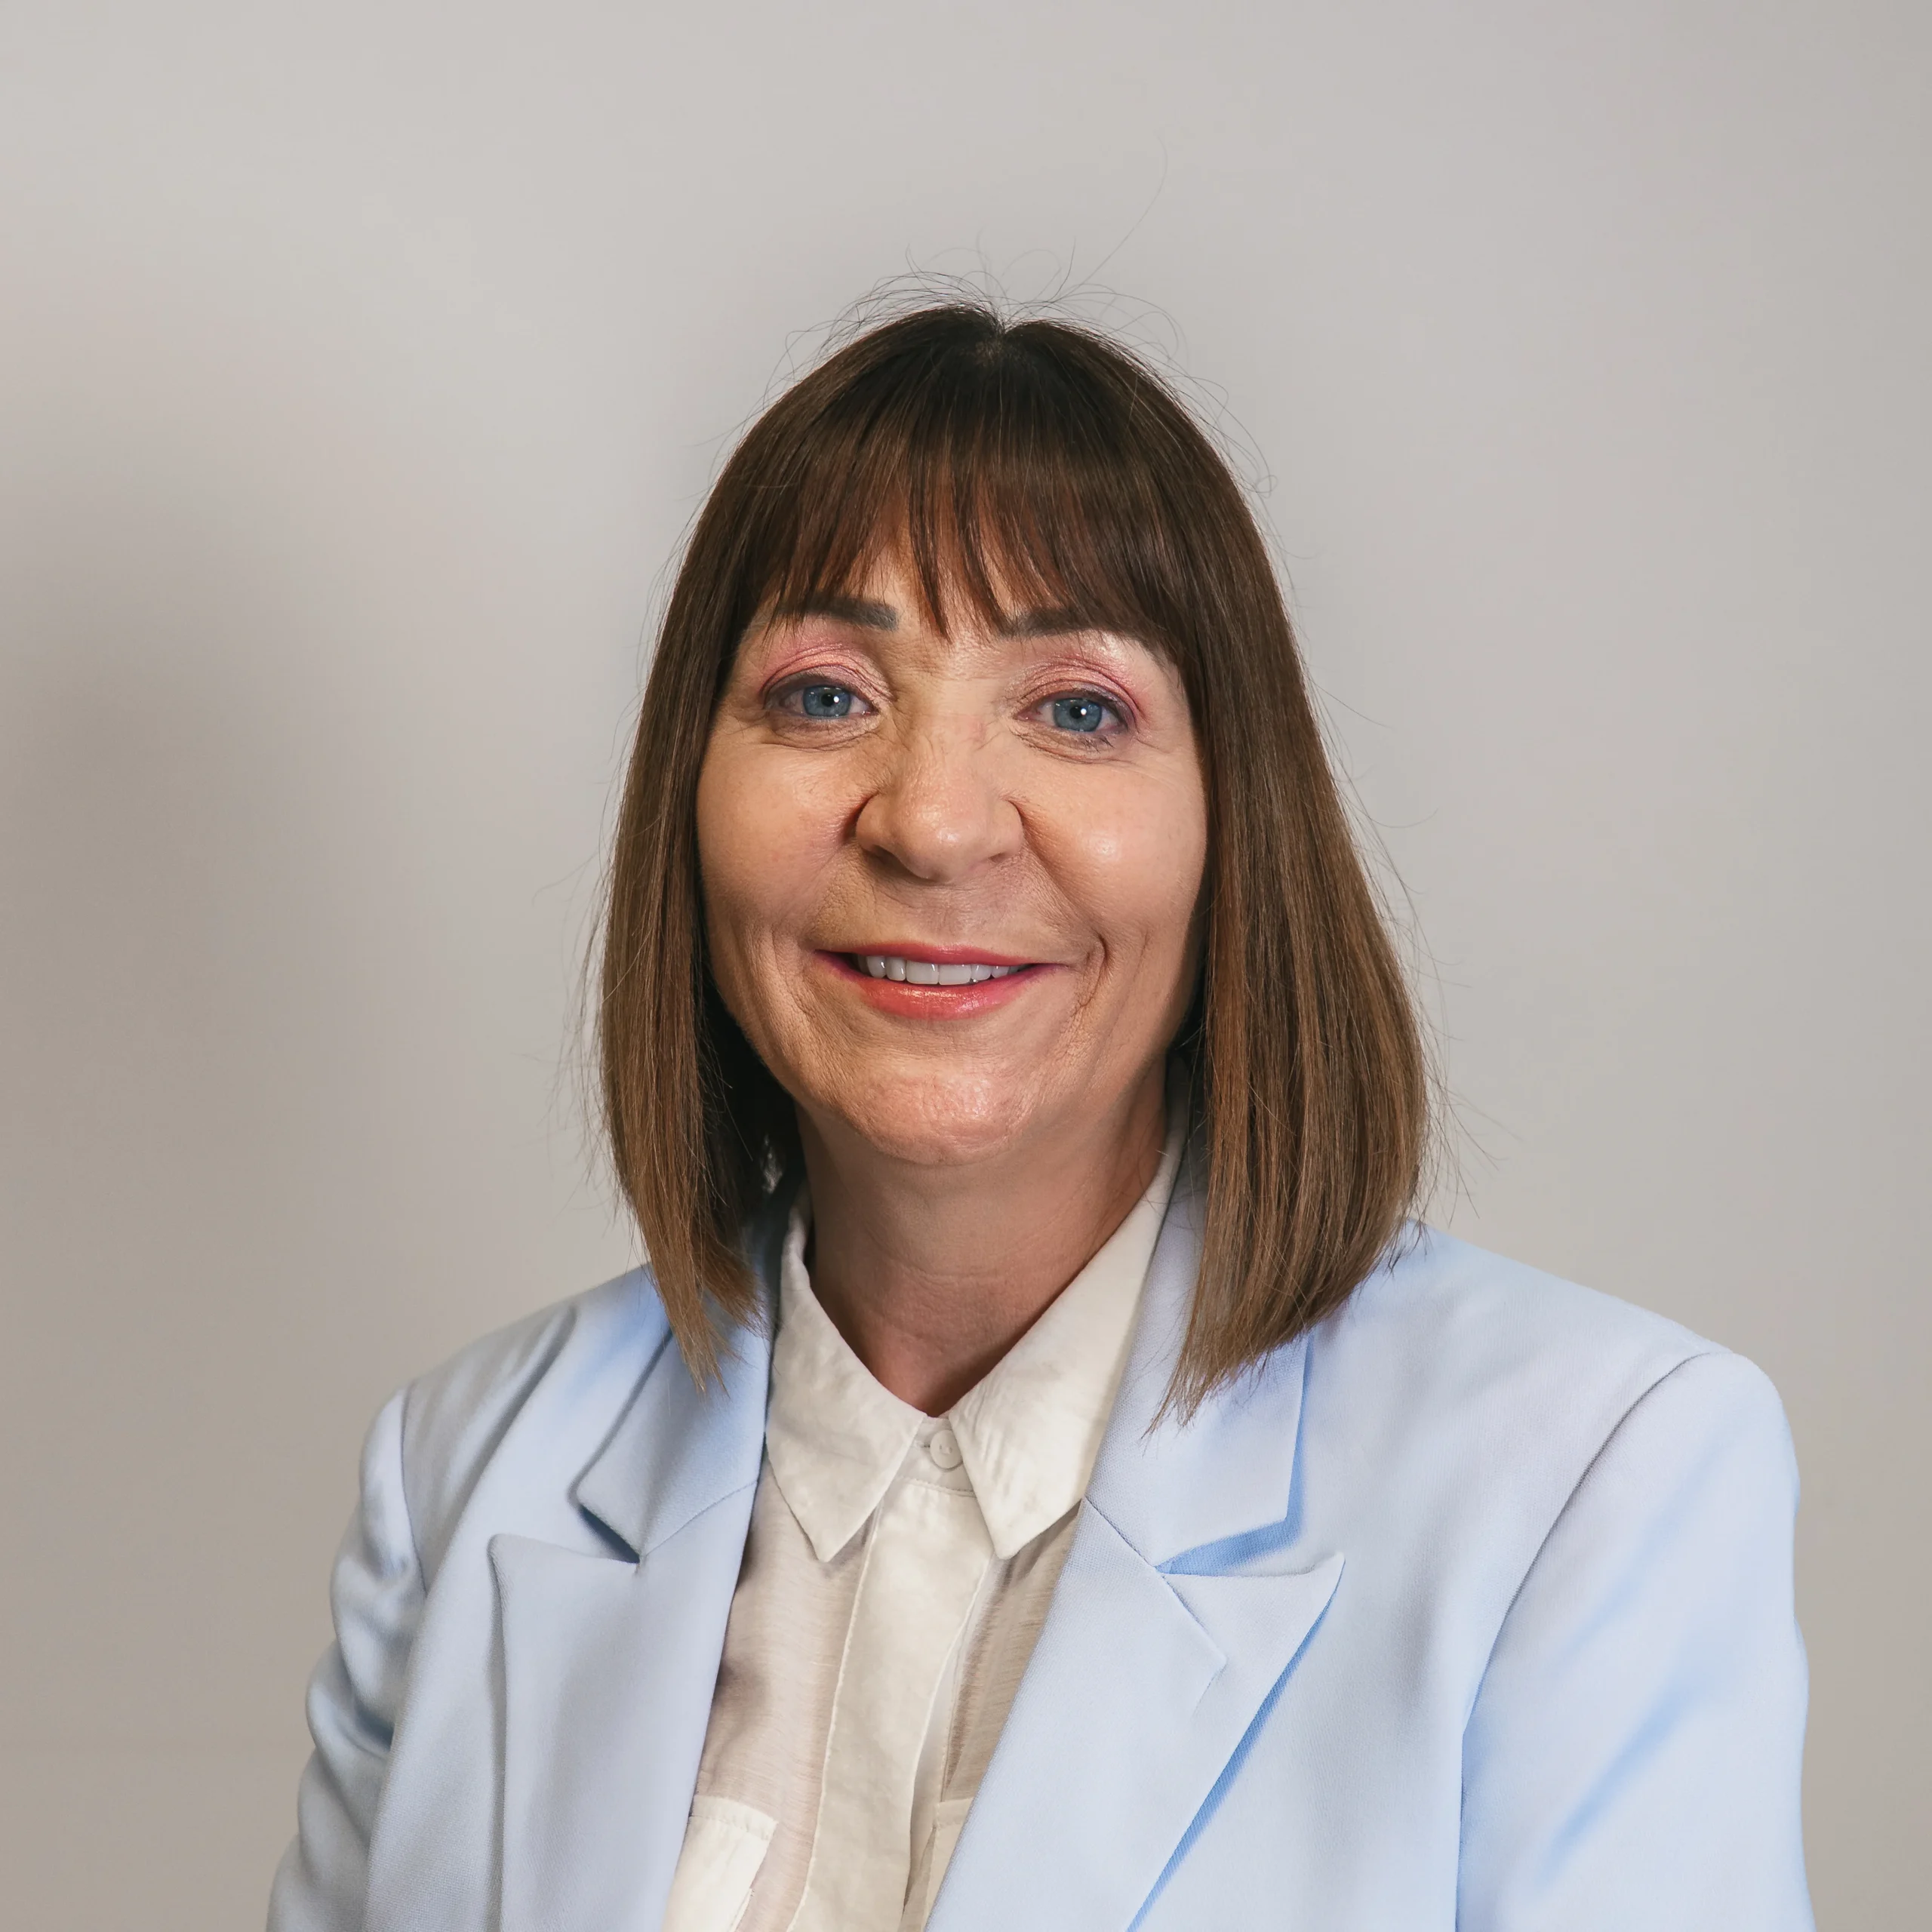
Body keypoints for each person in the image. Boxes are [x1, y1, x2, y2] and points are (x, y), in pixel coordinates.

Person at [267, 303, 1814, 1932]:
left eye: (1076, 708)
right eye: (820, 694)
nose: (932, 820)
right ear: (687, 788)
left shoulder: (1591, 1476)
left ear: (1236, 822)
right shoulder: (463, 1476)